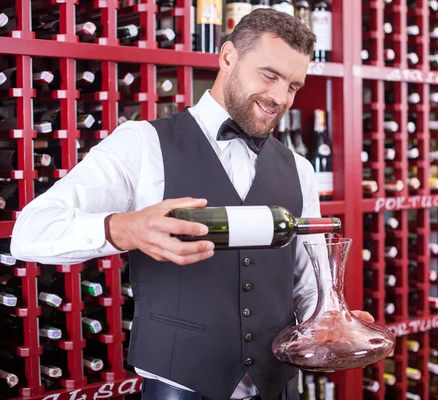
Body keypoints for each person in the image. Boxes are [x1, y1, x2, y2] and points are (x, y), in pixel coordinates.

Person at [10, 8, 374, 400]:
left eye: (293, 86)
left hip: (279, 386)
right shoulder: (141, 144)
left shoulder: (299, 169)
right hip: (180, 388)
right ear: (228, 56)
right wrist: (124, 228)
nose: (279, 97)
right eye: (269, 75)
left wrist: (328, 320)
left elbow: (308, 281)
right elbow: (29, 232)